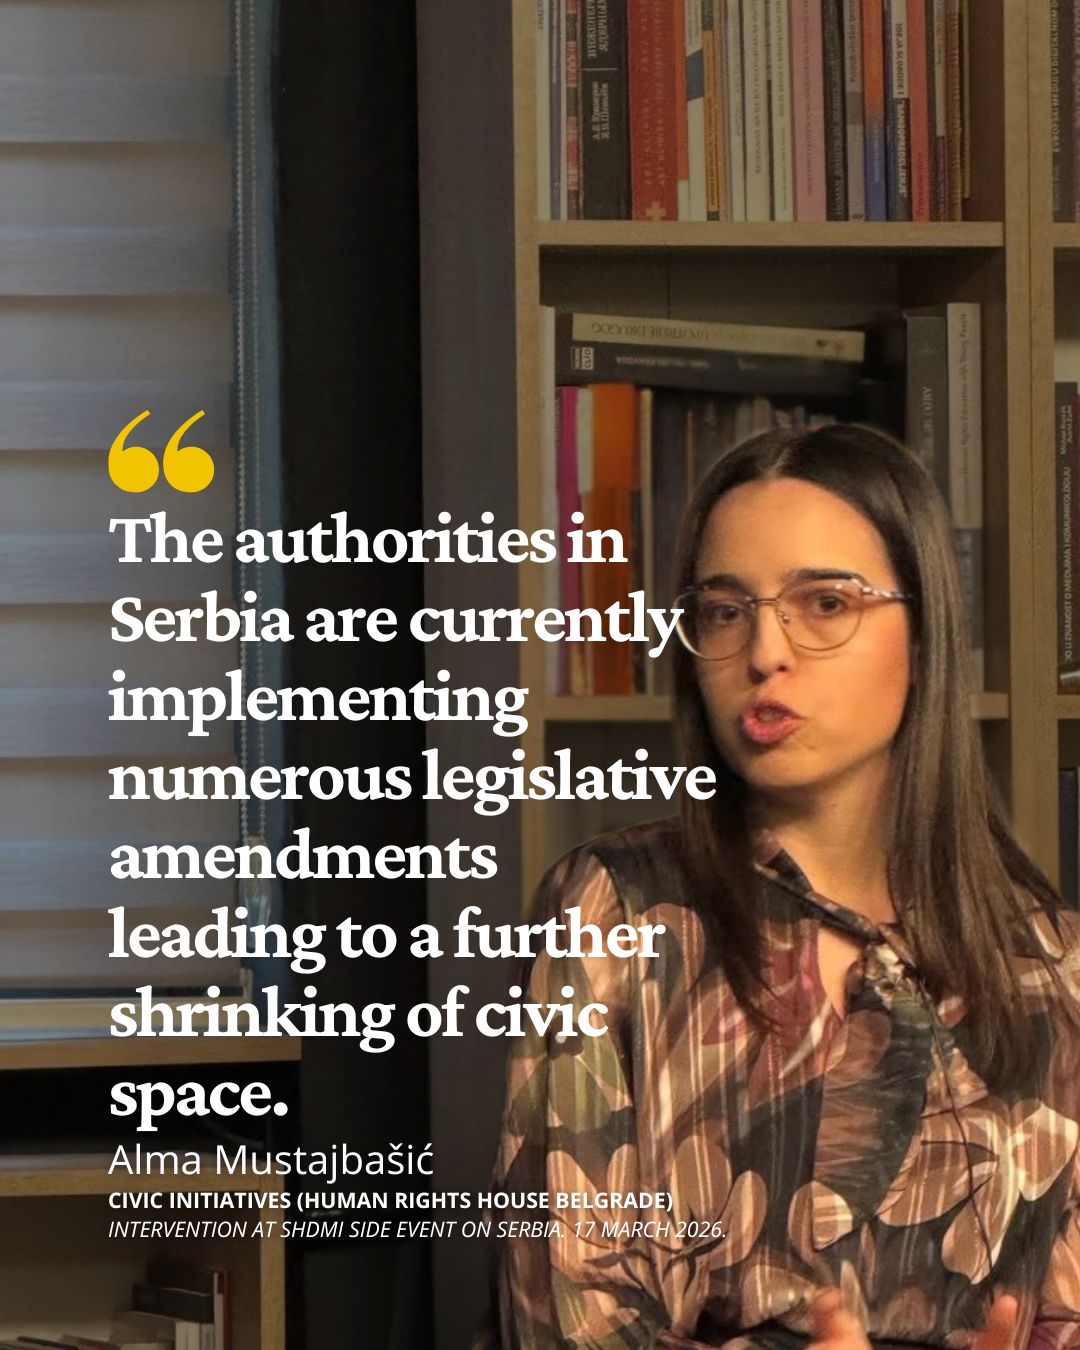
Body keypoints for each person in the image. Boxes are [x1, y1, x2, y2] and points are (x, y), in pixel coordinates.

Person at [472, 422, 1080, 1350]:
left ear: (926, 632)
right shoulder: (615, 909)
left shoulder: (1053, 961)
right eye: (725, 611)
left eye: (825, 603)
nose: (765, 652)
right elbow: (562, 1318)